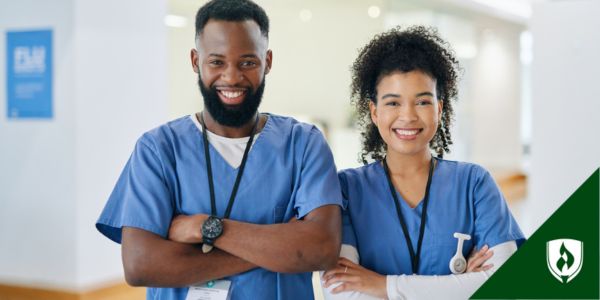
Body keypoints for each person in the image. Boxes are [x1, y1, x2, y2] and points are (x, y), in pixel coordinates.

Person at [95, 0, 343, 299]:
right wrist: (279, 246)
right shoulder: (158, 149)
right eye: (216, 62)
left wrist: (206, 228)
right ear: (194, 60)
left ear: (268, 61)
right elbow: (141, 266)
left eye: (248, 62)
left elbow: (321, 249)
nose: (232, 77)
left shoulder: (303, 144)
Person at [321, 26, 526, 299]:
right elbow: (341, 291)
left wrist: (383, 285)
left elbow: (507, 283)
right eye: (393, 103)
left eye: (422, 102)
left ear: (439, 109)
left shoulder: (474, 184)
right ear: (374, 112)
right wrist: (459, 286)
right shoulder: (346, 189)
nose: (408, 116)